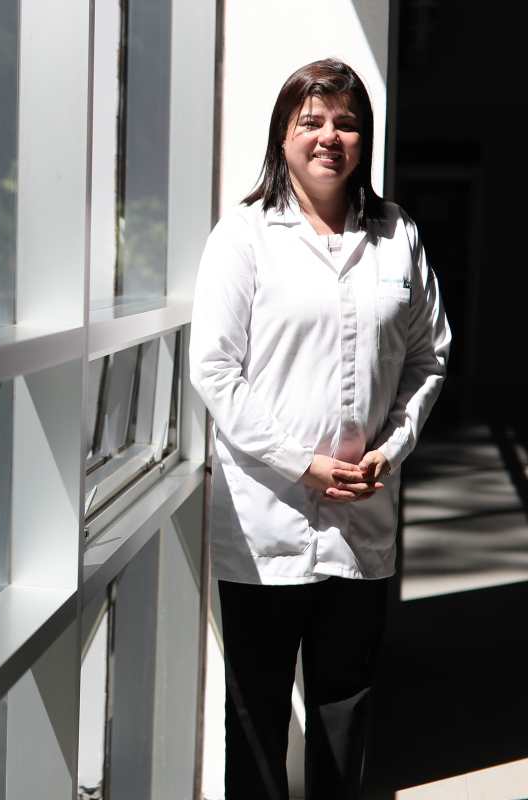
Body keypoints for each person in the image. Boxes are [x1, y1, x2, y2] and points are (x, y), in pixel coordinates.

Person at [189, 58, 451, 799]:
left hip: (361, 516)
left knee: (345, 712)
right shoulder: (244, 236)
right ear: (282, 136)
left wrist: (392, 448)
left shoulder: (397, 236)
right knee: (257, 720)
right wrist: (300, 462)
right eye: (311, 121)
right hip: (264, 523)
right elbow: (214, 369)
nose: (329, 136)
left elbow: (429, 357)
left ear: (364, 139)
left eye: (347, 122)